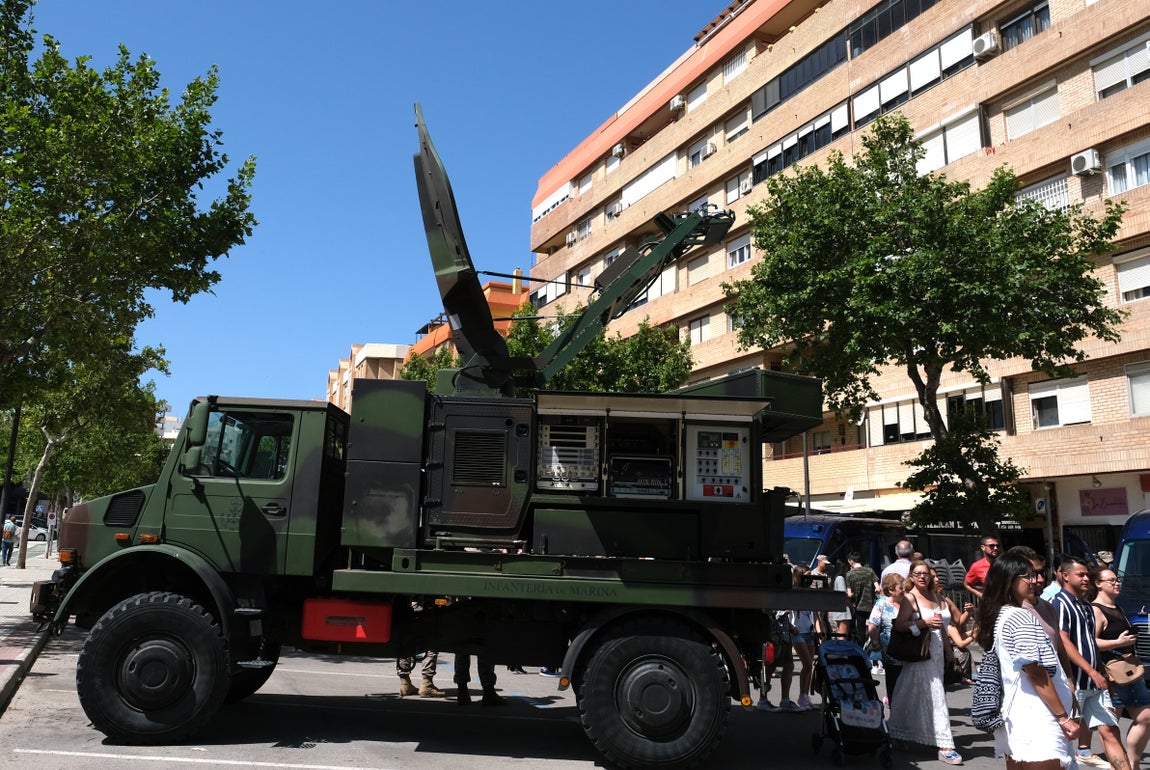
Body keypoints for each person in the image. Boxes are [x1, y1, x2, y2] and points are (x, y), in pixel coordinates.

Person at [975, 552, 1078, 770]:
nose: (1034, 581)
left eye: (1034, 575)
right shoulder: (1019, 616)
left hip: (1020, 716)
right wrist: (1063, 718)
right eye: (1027, 576)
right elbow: (1035, 671)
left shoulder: (1002, 614)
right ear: (1009, 580)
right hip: (1037, 717)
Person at [1050, 555, 1128, 769]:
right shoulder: (1060, 603)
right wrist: (1089, 671)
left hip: (1095, 682)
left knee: (1111, 730)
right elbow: (1063, 640)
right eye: (1080, 575)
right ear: (1065, 576)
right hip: (1074, 682)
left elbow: (1090, 644)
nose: (1086, 579)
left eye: (1087, 575)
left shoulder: (1085, 605)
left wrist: (1101, 673)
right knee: (1065, 738)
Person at [887, 560, 963, 765]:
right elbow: (901, 626)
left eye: (925, 574)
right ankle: (945, 745)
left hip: (937, 653)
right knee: (936, 696)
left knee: (909, 692)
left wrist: (949, 653)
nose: (922, 577)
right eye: (917, 573)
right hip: (920, 653)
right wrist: (924, 622)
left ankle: (898, 732)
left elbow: (943, 630)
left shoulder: (936, 596)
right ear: (911, 576)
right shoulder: (909, 599)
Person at [1093, 567, 1150, 769]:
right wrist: (1118, 643)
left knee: (1146, 717)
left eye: (1117, 580)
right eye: (1111, 580)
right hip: (1111, 674)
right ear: (1098, 584)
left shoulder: (1118, 608)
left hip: (1130, 671)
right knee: (1109, 727)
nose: (1117, 583)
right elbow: (1091, 642)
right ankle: (1119, 764)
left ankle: (1131, 763)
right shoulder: (1096, 610)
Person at [868, 572, 907, 700]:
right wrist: (875, 643)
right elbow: (873, 624)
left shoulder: (907, 602)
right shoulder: (882, 603)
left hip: (907, 649)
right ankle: (893, 706)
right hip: (889, 649)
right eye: (901, 588)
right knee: (894, 679)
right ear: (891, 589)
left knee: (906, 682)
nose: (904, 590)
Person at [790, 566, 818, 711]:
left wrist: (819, 630)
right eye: (806, 576)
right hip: (798, 632)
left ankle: (805, 696)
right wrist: (791, 627)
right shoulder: (793, 592)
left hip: (810, 632)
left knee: (810, 667)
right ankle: (802, 696)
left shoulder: (810, 592)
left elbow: (815, 613)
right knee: (807, 664)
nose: (809, 579)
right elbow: (785, 611)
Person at [845, 551, 879, 644]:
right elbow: (878, 588)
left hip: (859, 607)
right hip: (871, 606)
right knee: (874, 627)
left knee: (860, 630)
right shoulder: (870, 571)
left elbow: (849, 594)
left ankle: (860, 651)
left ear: (851, 561)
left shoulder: (849, 574)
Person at [964, 534, 1001, 599]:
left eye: (997, 546)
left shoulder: (1006, 563)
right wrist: (981, 595)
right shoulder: (977, 566)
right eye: (991, 546)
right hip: (991, 605)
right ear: (983, 547)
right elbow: (967, 584)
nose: (995, 548)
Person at [829, 560, 853, 638]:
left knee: (840, 634)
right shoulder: (840, 578)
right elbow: (844, 594)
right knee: (843, 636)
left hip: (839, 609)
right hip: (843, 611)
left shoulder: (835, 578)